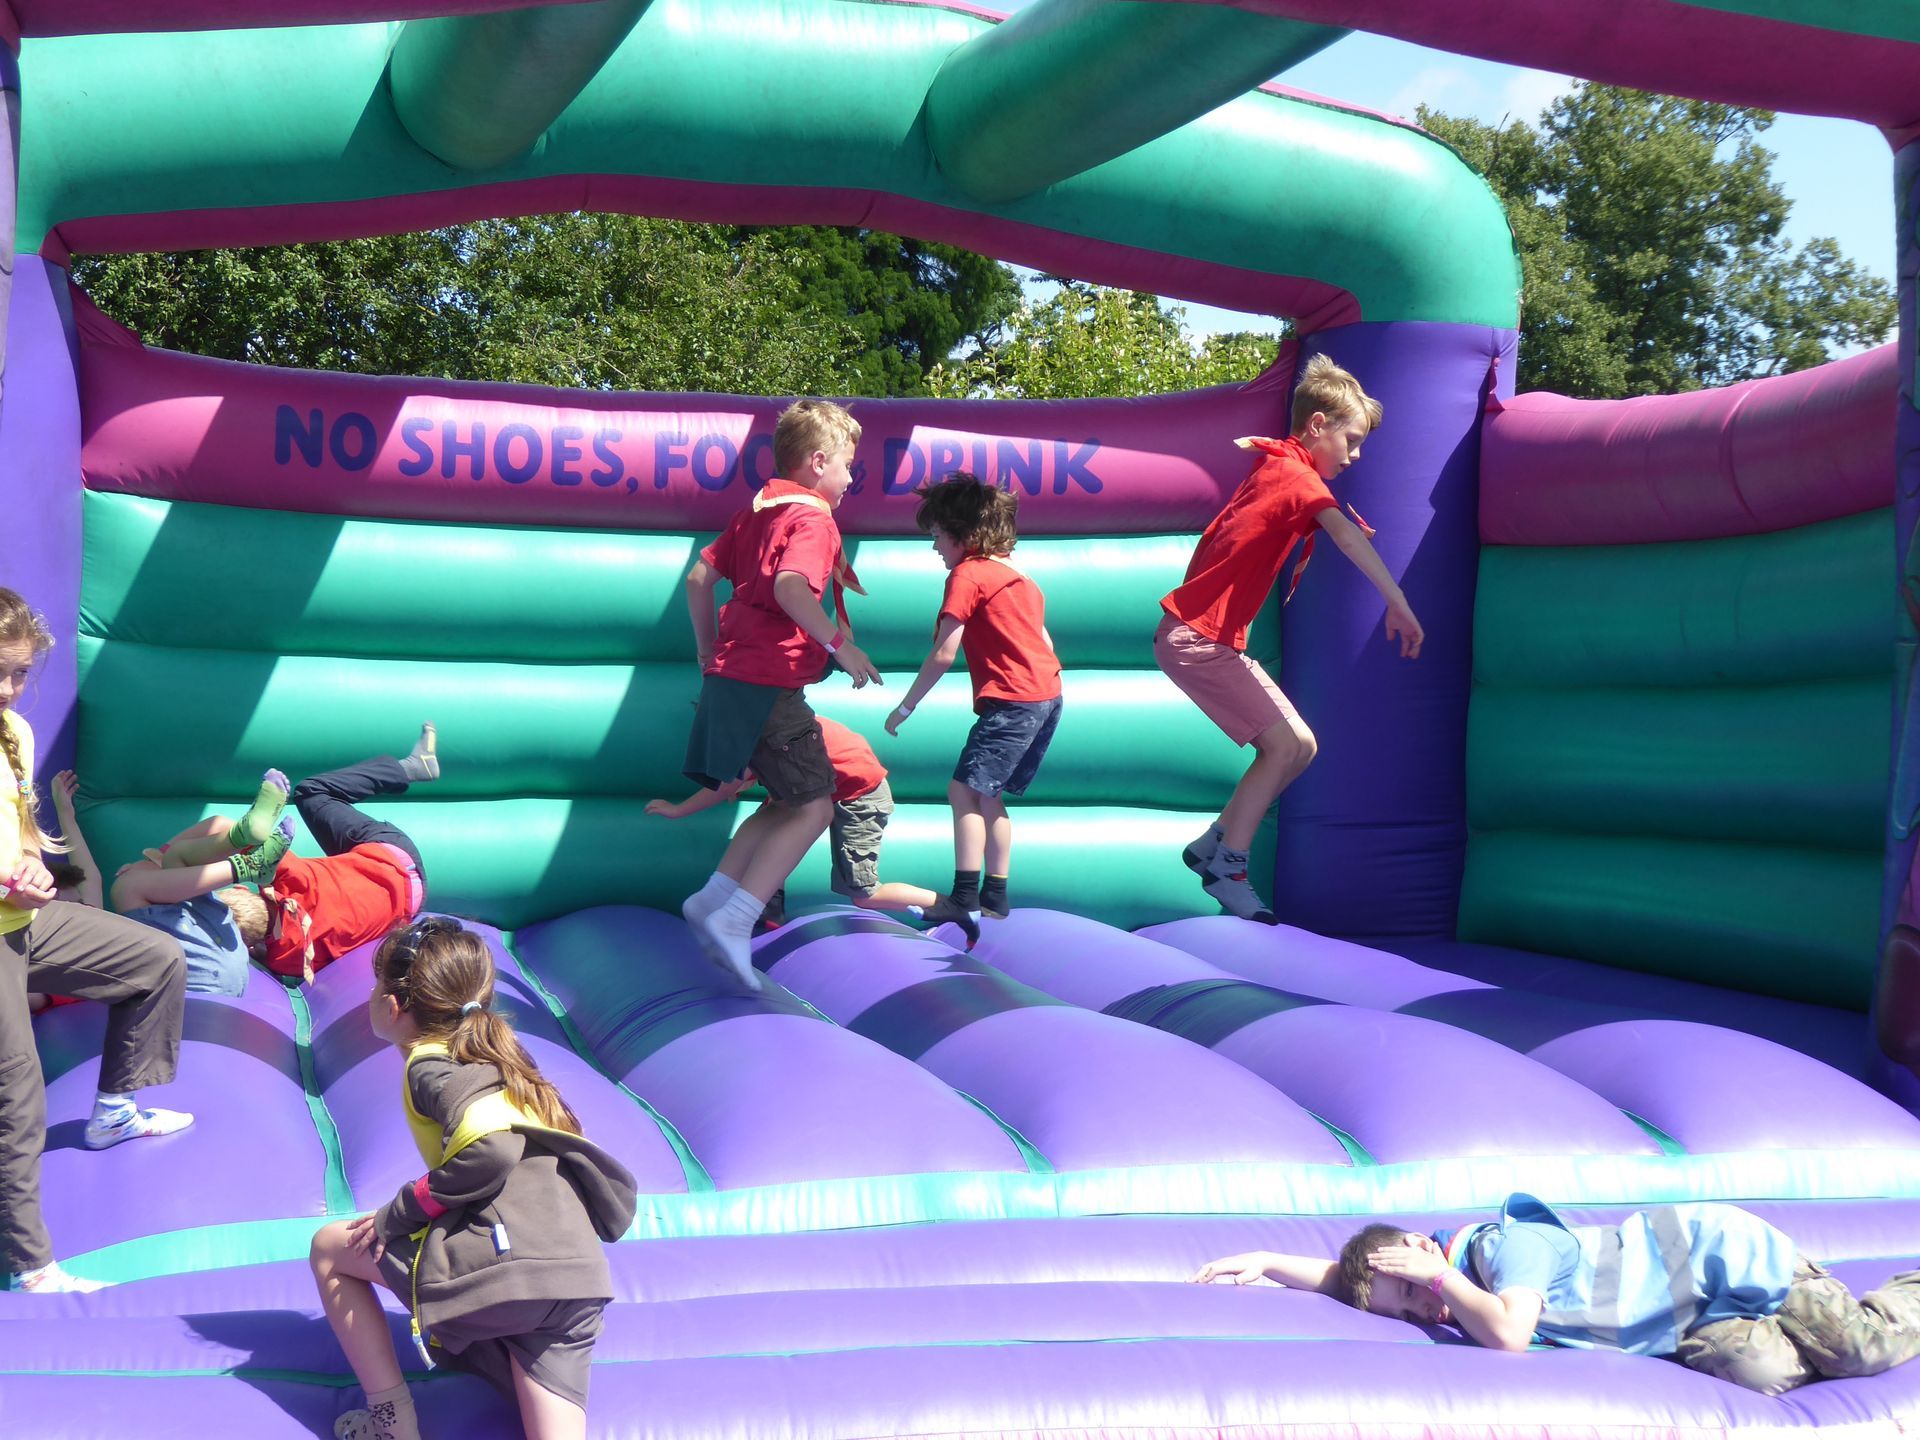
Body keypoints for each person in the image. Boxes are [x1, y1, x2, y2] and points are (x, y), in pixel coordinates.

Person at [309, 916, 637, 1440]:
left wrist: (405, 1209)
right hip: (574, 1279)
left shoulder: (428, 1064)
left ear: (394, 1007)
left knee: (329, 1248)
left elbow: (492, 1151)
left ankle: (392, 1424)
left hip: (508, 1275)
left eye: (376, 987)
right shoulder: (504, 1057)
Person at [1156, 354, 1424, 923]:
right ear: (1317, 425)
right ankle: (1228, 866)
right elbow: (1347, 537)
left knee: (1300, 746)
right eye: (1350, 441)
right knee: (1281, 746)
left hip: (1212, 641)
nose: (1354, 456)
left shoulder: (1286, 471)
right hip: (1194, 638)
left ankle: (1212, 845)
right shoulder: (1291, 474)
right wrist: (1397, 603)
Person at [1191, 1192, 1920, 1396]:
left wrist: (1438, 1282)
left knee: (1859, 1349)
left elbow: (1509, 1337)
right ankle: (1805, 1325)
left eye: (1416, 1293)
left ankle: (1896, 1295)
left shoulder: (1504, 1248)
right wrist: (1268, 1259)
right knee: (1767, 1375)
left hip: (1715, 1261)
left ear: (1422, 1248)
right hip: (1682, 1320)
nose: (1429, 1312)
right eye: (1411, 1311)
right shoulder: (1429, 1277)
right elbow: (1356, 1281)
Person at [0, 588, 193, 1294]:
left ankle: (114, 1110)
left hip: (23, 919)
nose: (9, 688)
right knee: (17, 1095)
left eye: (19, 672)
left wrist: (30, 868)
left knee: (156, 959)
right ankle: (30, 1267)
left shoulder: (14, 734)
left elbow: (16, 834)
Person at [680, 399, 883, 990]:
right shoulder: (813, 519)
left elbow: (699, 577)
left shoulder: (760, 510)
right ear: (819, 462)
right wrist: (840, 645)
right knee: (818, 805)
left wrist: (706, 647)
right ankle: (736, 919)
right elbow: (794, 586)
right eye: (848, 465)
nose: (851, 478)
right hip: (769, 684)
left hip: (734, 678)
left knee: (785, 802)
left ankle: (712, 898)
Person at [886, 473, 1061, 925]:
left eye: (937, 536)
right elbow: (1045, 641)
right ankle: (996, 898)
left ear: (963, 536)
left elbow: (944, 653)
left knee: (961, 791)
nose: (934, 547)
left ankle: (964, 897)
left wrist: (905, 706)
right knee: (989, 796)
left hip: (1014, 701)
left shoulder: (968, 575)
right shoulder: (1020, 576)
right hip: (1046, 697)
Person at [648, 713, 980, 949]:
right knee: (767, 827)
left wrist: (679, 810)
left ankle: (951, 906)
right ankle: (769, 906)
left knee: (863, 895)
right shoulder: (767, 722)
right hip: (818, 790)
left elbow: (725, 786)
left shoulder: (768, 730)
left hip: (859, 797)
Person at [217, 728, 439, 984]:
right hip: (394, 857)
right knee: (311, 792)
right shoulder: (286, 876)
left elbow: (273, 952)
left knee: (341, 882)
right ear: (244, 891)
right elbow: (224, 828)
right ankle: (411, 768)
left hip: (410, 904)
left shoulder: (286, 961)